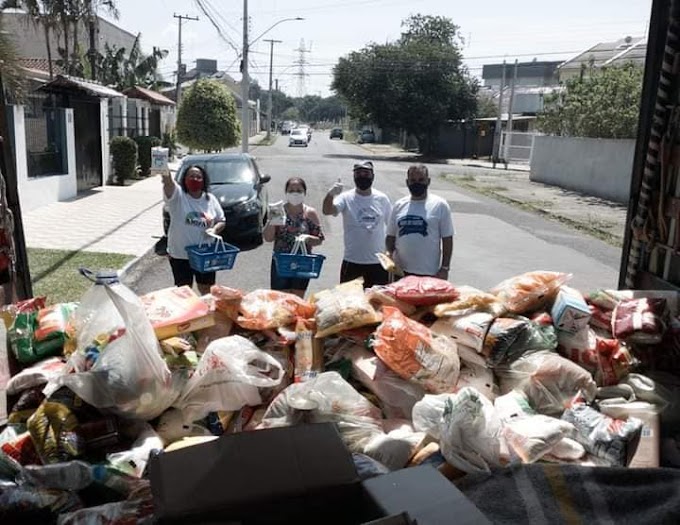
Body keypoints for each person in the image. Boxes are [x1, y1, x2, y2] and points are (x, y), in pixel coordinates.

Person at [322, 160, 392, 288]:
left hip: (378, 263)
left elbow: (392, 228)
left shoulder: (382, 199)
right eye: (359, 173)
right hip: (352, 261)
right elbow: (327, 210)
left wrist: (392, 253)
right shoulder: (346, 198)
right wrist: (330, 194)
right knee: (349, 304)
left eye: (366, 173)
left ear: (373, 176)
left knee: (378, 304)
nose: (362, 177)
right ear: (354, 176)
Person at [162, 165, 226, 295]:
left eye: (198, 176)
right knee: (184, 292)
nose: (195, 179)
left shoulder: (210, 199)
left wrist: (214, 230)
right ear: (184, 179)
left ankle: (206, 314)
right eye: (191, 176)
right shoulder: (178, 196)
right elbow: (168, 182)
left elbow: (221, 220)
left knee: (207, 290)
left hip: (204, 255)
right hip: (180, 255)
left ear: (204, 180)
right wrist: (163, 168)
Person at [386, 164, 454, 279]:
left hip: (429, 272)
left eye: (421, 180)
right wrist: (389, 256)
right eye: (413, 180)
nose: (417, 183)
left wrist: (445, 268)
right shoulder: (399, 205)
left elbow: (447, 239)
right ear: (407, 182)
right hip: (401, 272)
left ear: (428, 181)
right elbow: (390, 236)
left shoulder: (440, 205)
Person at [263, 177, 324, 297]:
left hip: (302, 262)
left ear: (304, 193)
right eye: (291, 190)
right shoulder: (279, 211)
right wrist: (272, 220)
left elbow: (319, 239)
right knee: (281, 300)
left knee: (297, 300)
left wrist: (307, 238)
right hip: (281, 263)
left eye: (298, 190)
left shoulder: (310, 213)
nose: (295, 193)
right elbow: (268, 238)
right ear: (286, 193)